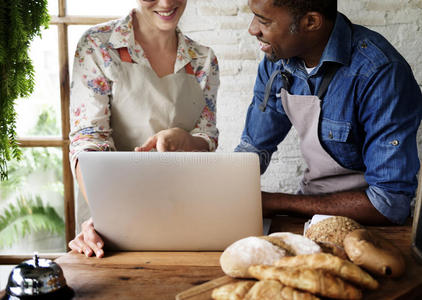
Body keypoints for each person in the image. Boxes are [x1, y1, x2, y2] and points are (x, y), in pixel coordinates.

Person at [235, 0, 422, 225]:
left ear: (311, 22)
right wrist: (224, 191)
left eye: (264, 21)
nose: (252, 29)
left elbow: (389, 204)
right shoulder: (277, 62)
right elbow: (254, 147)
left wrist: (274, 202)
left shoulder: (380, 73)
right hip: (307, 210)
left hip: (369, 223)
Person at [68, 0, 219, 257]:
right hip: (110, 225)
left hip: (182, 214)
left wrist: (185, 140)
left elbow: (206, 135)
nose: (167, 2)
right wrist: (110, 215)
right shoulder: (98, 46)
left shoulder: (203, 60)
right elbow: (89, 140)